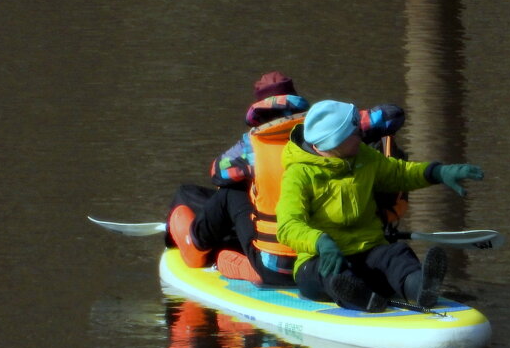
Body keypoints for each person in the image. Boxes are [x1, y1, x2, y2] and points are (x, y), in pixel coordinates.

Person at [167, 73, 407, 286]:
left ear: (258, 114)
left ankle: (196, 245)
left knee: (229, 193)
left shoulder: (252, 145)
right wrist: (358, 122)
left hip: (277, 261)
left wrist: (254, 175)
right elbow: (392, 115)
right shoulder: (332, 132)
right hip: (339, 245)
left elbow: (217, 173)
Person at [276, 99, 485, 312]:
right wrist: (319, 241)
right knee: (331, 273)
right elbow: (287, 225)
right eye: (354, 133)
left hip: (368, 252)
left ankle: (419, 287)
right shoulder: (298, 174)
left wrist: (437, 172)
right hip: (322, 259)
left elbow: (399, 173)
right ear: (334, 141)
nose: (361, 135)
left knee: (396, 255)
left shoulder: (363, 156)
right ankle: (359, 298)